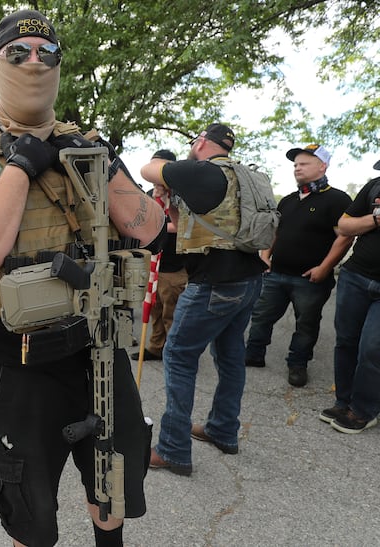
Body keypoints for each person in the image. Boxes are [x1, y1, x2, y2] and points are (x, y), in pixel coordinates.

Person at [0, 10, 166, 547]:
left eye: (47, 52)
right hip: (18, 365)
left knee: (111, 486)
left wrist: (104, 169)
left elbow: (150, 229)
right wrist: (20, 167)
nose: (34, 61)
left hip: (99, 351)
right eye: (18, 53)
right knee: (28, 510)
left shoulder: (88, 146)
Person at [141, 123, 265, 475]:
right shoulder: (244, 177)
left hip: (214, 283)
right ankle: (224, 430)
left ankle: (173, 449)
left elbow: (147, 168)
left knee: (178, 356)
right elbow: (193, 226)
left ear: (200, 143)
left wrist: (166, 177)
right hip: (249, 279)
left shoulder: (198, 170)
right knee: (230, 357)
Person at [244, 144, 353, 387]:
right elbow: (276, 232)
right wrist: (265, 256)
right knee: (261, 315)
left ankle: (298, 363)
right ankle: (253, 353)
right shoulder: (289, 200)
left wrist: (324, 268)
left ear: (322, 166)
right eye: (295, 164)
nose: (297, 168)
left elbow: (345, 237)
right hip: (276, 273)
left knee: (306, 323)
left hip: (310, 279)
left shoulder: (337, 199)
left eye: (304, 164)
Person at [320, 159, 380, 434]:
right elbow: (344, 226)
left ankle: (364, 410)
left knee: (372, 348)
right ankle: (344, 401)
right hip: (356, 277)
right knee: (346, 341)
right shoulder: (374, 186)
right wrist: (376, 218)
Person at [132, 149, 187, 362]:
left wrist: (160, 226)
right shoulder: (146, 195)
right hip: (151, 264)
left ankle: (175, 353)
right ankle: (156, 347)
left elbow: (184, 226)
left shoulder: (181, 195)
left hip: (174, 266)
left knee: (171, 313)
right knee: (154, 309)